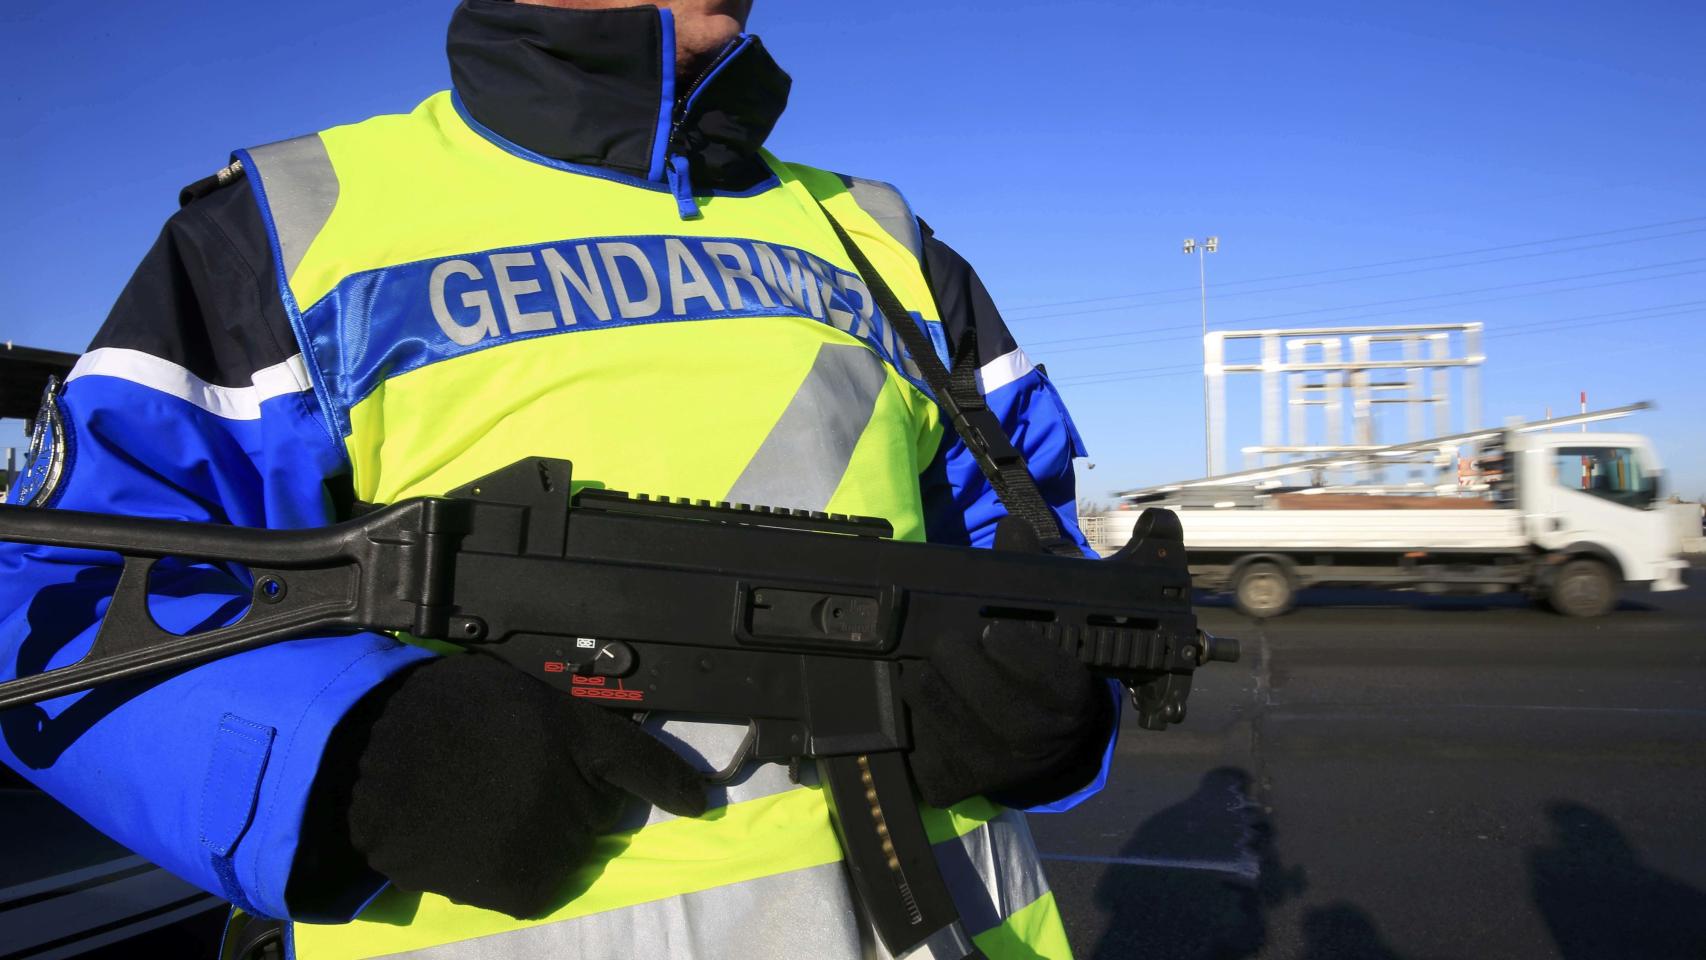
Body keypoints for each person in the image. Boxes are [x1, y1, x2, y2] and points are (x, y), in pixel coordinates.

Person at [0, 1, 1119, 957]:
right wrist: (346, 757)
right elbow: (54, 606)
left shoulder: (880, 239)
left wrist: (1050, 696)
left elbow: (1034, 552)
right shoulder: (287, 231)